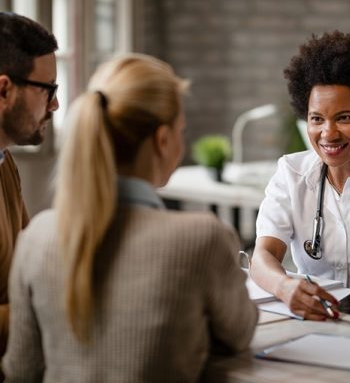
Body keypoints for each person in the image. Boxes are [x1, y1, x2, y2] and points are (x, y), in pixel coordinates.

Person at [3, 53, 258, 382]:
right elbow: (239, 333)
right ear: (162, 140)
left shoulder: (38, 236)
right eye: (181, 131)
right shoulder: (201, 238)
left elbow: (21, 371)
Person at [250, 30, 350, 321]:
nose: (328, 133)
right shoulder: (291, 174)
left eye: (344, 117)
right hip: (314, 324)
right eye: (317, 118)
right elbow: (262, 256)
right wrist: (284, 286)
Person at [0, 12, 58, 357]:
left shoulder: (6, 165)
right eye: (47, 89)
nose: (55, 104)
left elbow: (27, 267)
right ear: (4, 89)